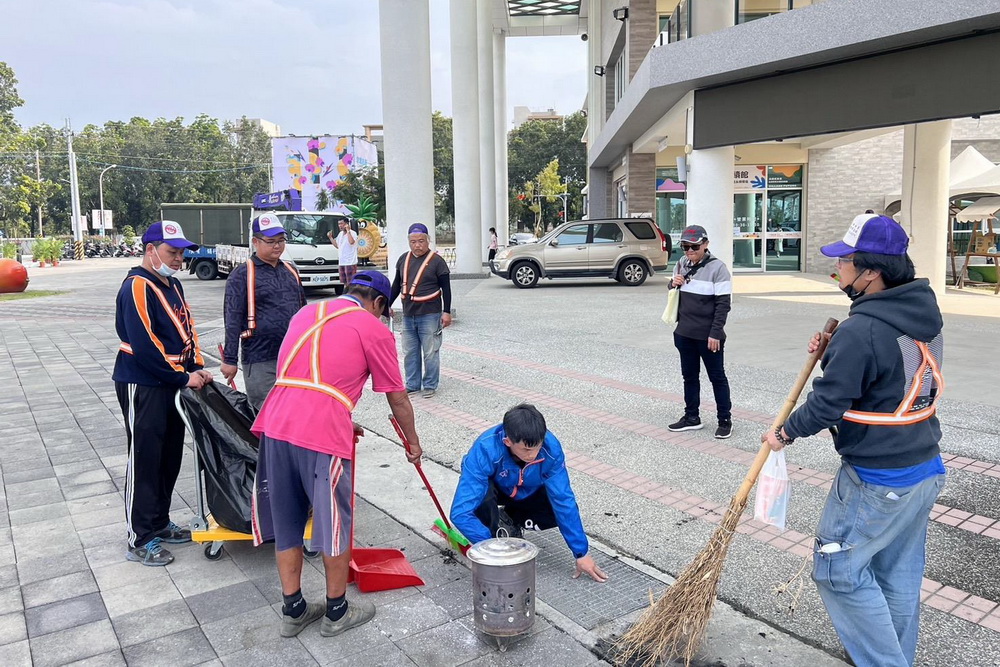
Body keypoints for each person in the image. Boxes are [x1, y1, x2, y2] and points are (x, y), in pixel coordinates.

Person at [763, 214, 946, 667]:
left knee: (838, 572)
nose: (837, 269)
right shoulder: (922, 314)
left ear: (871, 272)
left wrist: (784, 433)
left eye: (844, 261)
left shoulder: (862, 329)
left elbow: (827, 405)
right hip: (923, 470)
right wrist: (835, 353)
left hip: (876, 480)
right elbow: (884, 379)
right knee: (896, 577)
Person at [250, 270, 422, 639]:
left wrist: (343, 417)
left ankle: (293, 609)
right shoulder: (372, 327)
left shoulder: (306, 312)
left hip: (277, 422)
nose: (380, 318)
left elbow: (303, 377)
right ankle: (337, 612)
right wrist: (413, 443)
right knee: (334, 525)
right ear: (377, 303)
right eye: (383, 311)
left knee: (287, 520)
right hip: (321, 433)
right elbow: (397, 397)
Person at [113, 221, 213, 566]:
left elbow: (188, 327)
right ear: (150, 249)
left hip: (172, 382)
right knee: (144, 458)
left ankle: (160, 522)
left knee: (169, 455)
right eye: (172, 252)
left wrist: (196, 366)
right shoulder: (136, 287)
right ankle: (139, 537)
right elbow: (144, 344)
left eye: (182, 253)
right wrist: (182, 378)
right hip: (143, 383)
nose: (179, 259)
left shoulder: (171, 285)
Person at [450, 404, 609, 583]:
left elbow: (563, 499)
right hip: (495, 488)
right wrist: (493, 549)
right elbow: (460, 513)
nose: (533, 455)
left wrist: (581, 553)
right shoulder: (485, 449)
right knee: (479, 505)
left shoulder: (551, 449)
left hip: (526, 489)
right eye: (526, 450)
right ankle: (496, 533)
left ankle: (510, 519)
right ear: (508, 441)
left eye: (537, 447)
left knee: (555, 508)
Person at [221, 214, 306, 410]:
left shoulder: (290, 270)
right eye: (271, 241)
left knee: (296, 414)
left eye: (281, 241)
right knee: (267, 415)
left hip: (294, 357)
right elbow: (232, 318)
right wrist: (230, 359)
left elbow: (303, 311)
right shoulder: (242, 274)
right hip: (260, 358)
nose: (277, 246)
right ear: (255, 242)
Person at [666, 225, 734, 439]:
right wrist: (672, 283)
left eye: (694, 246)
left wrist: (715, 333)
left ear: (705, 244)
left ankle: (725, 420)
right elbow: (674, 292)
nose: (689, 251)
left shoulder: (718, 268)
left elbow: (723, 304)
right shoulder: (681, 263)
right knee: (689, 377)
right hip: (684, 332)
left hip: (708, 336)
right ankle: (691, 417)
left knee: (717, 378)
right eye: (685, 246)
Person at [390, 223, 452, 398]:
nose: (417, 245)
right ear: (409, 242)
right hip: (409, 313)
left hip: (430, 313)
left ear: (428, 241)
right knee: (410, 351)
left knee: (430, 351)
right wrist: (387, 303)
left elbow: (446, 288)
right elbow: (396, 284)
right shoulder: (403, 259)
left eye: (421, 241)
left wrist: (446, 311)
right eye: (413, 242)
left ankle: (430, 384)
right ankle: (412, 384)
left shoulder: (437, 262)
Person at [328, 218, 359, 286]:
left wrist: (348, 231)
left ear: (346, 224)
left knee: (351, 283)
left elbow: (351, 242)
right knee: (344, 283)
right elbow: (337, 246)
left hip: (350, 262)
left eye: (341, 223)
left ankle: (350, 294)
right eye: (339, 224)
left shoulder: (353, 233)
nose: (340, 225)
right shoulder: (340, 234)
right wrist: (330, 238)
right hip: (342, 262)